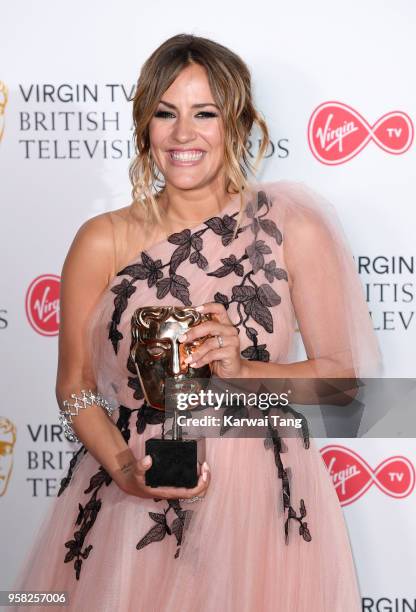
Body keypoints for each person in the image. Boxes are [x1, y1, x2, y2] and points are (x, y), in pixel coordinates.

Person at [11, 33, 381, 611]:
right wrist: (124, 469)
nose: (184, 135)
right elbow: (74, 390)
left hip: (260, 498)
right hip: (136, 487)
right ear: (144, 126)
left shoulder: (293, 229)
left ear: (237, 123)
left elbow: (342, 383)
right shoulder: (101, 239)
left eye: (204, 113)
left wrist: (243, 371)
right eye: (166, 113)